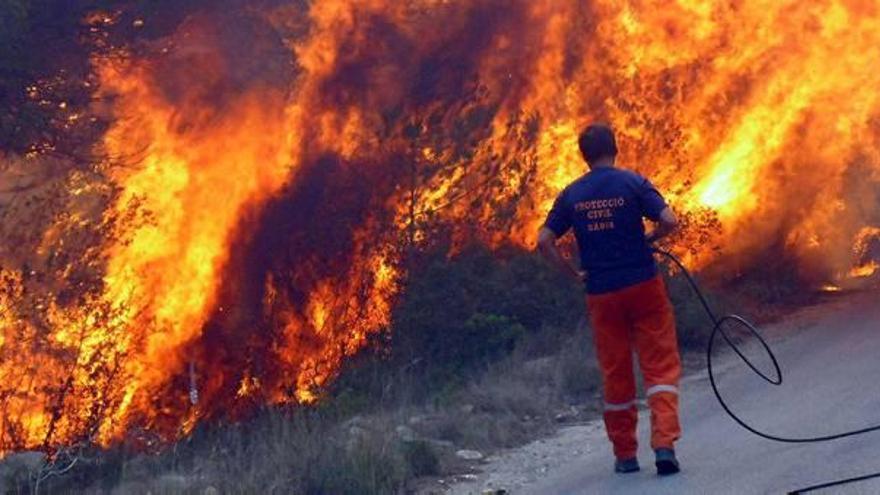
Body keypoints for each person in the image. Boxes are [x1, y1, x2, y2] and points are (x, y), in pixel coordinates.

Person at [537, 123, 682, 476]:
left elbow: (543, 240)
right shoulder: (632, 182)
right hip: (643, 285)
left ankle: (625, 455)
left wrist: (572, 274)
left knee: (616, 371)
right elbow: (669, 219)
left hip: (601, 292)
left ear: (584, 156)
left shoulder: (572, 194)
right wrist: (650, 238)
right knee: (660, 367)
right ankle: (664, 446)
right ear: (614, 149)